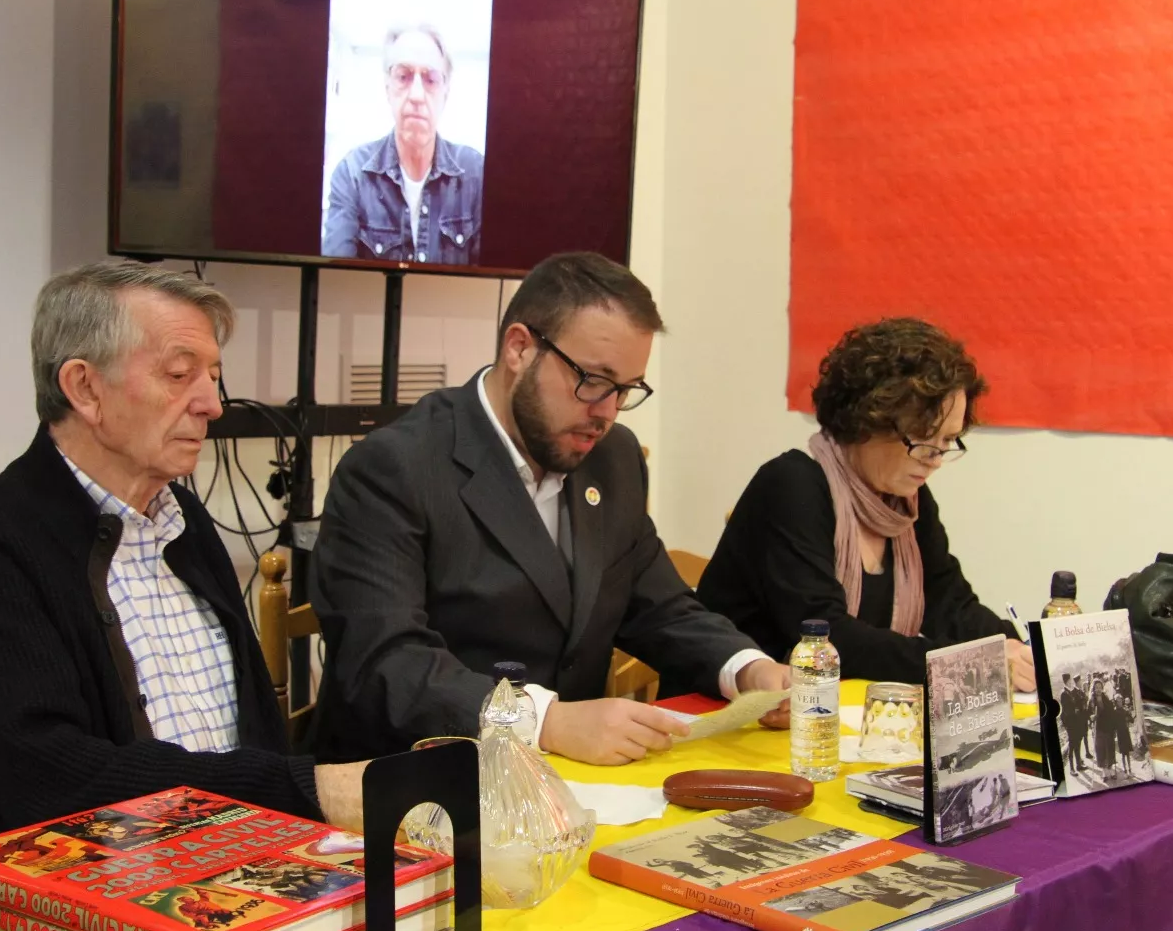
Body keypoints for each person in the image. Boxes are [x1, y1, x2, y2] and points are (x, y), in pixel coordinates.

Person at [0, 262, 365, 853]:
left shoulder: (183, 516)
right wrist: (302, 788)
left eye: (212, 376)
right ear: (84, 387)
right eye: (180, 374)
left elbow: (251, 728)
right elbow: (52, 782)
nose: (212, 403)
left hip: (233, 854)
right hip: (73, 881)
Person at [308, 252, 791, 764]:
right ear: (519, 348)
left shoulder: (614, 458)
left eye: (626, 389)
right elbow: (386, 663)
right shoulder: (395, 467)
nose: (606, 412)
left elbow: (660, 607)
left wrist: (747, 670)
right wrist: (547, 722)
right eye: (594, 380)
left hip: (568, 787)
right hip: (416, 784)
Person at [695, 317, 1034, 690]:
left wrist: (1015, 646)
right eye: (923, 439)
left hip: (826, 714)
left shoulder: (908, 501)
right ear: (866, 421)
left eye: (948, 440)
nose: (935, 459)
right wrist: (965, 663)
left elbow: (950, 604)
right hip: (728, 714)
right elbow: (829, 638)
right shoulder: (792, 486)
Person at [322, 23, 483, 265]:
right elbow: (334, 280)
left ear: (445, 93)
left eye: (430, 79)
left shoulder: (476, 174)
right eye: (403, 76)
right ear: (387, 87)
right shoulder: (351, 174)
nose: (417, 95)